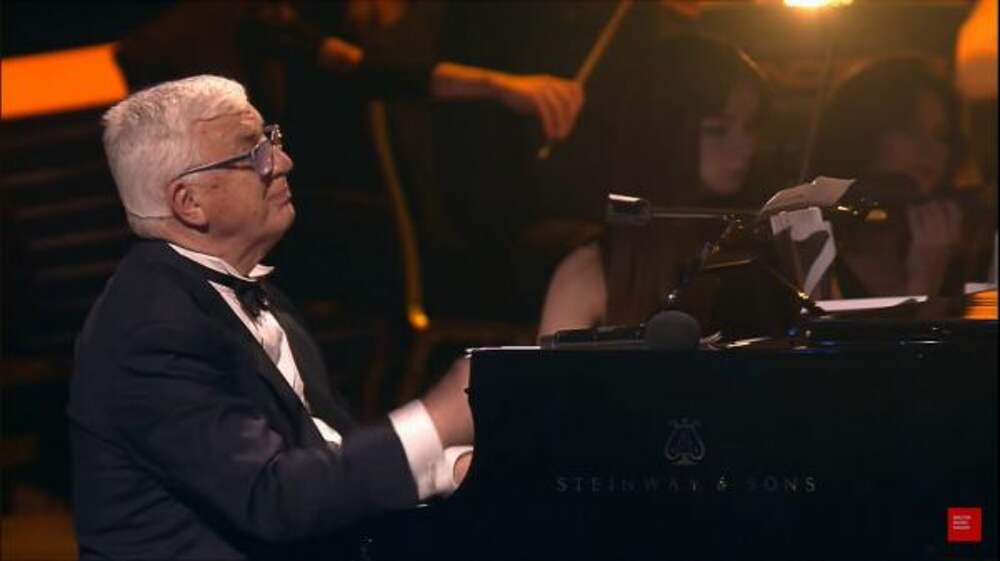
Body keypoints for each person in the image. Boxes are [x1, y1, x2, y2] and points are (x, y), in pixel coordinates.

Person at [67, 75, 474, 561]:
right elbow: (272, 497)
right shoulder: (150, 328)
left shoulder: (253, 293)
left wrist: (448, 466)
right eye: (252, 153)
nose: (282, 162)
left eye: (271, 140)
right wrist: (437, 421)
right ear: (189, 202)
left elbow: (325, 450)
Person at [538, 34, 771, 335]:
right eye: (717, 129)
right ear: (665, 134)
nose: (747, 145)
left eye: (751, 126)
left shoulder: (761, 254)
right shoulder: (589, 274)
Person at [811, 55, 995, 297]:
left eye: (940, 135)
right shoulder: (813, 254)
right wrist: (924, 282)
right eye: (908, 130)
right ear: (862, 134)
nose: (929, 149)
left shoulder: (963, 254)